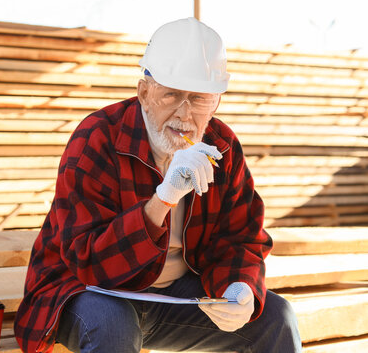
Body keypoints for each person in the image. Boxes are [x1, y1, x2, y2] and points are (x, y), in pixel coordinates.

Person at [15, 18, 301, 353]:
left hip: (172, 300)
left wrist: (240, 288)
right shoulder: (97, 138)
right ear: (144, 92)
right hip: (86, 293)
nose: (184, 113)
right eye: (172, 95)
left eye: (198, 99)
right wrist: (162, 200)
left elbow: (240, 238)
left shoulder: (222, 146)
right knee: (113, 322)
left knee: (276, 316)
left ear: (216, 102)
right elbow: (90, 264)